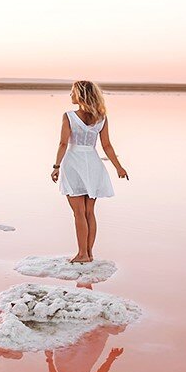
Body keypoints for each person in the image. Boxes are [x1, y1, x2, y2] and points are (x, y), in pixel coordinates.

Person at [50, 80, 128, 263]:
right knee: (89, 212)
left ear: (80, 95)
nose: (70, 95)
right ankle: (89, 253)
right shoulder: (101, 117)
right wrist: (118, 167)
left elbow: (63, 143)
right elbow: (107, 146)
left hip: (74, 163)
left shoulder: (69, 116)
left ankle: (82, 254)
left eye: (72, 92)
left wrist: (56, 167)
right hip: (93, 163)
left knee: (78, 213)